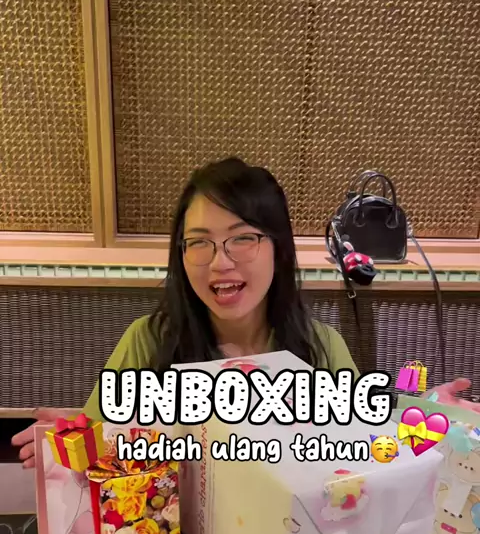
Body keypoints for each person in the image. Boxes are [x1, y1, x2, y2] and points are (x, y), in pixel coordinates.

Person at [11, 157, 480, 469]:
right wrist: (75, 440)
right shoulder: (149, 341)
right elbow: (100, 440)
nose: (220, 262)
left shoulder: (321, 348)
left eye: (243, 238)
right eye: (200, 242)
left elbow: (365, 446)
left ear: (278, 248)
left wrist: (421, 415)